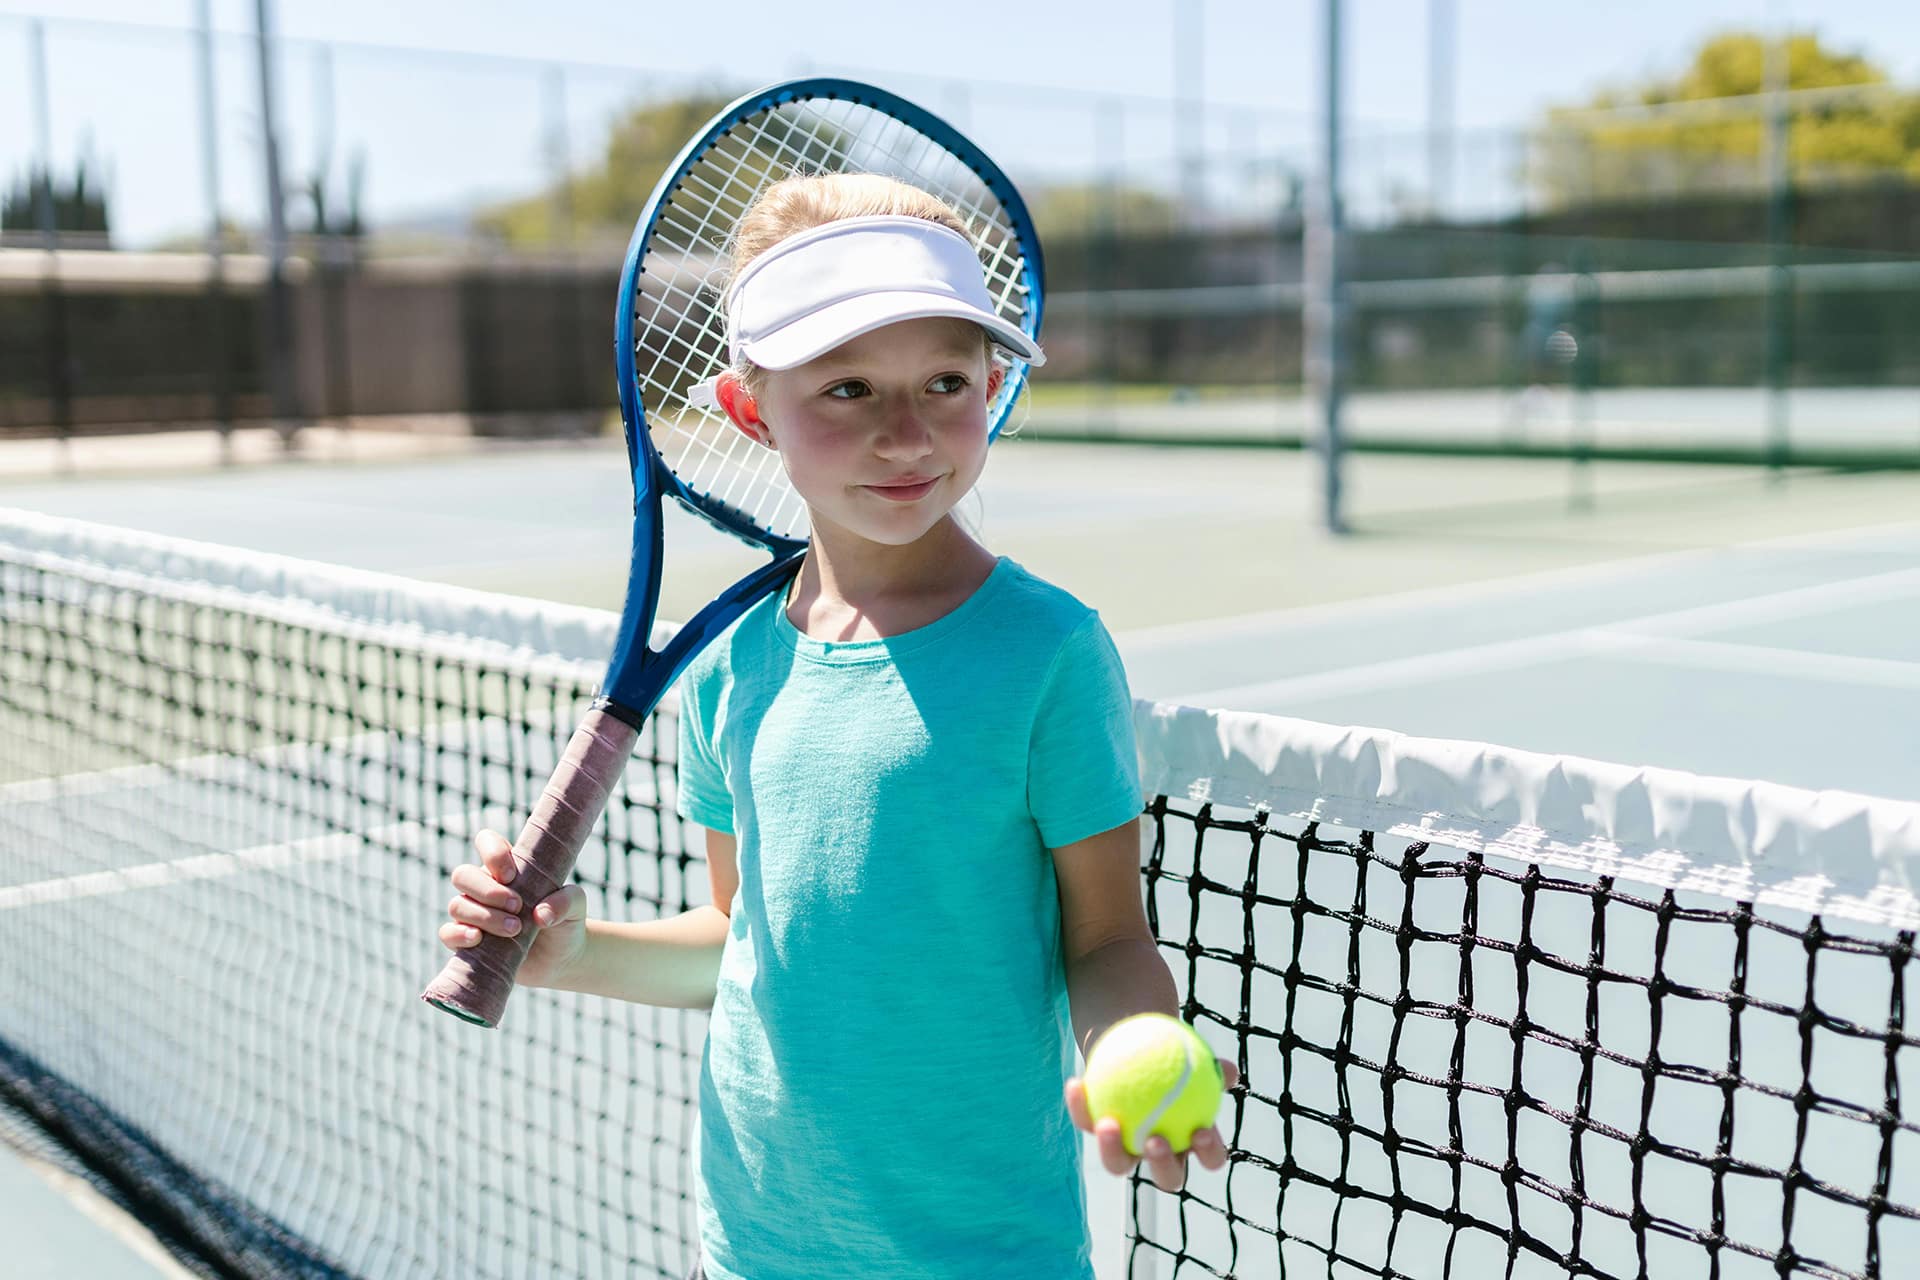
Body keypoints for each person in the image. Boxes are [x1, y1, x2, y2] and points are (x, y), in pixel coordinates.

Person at [439, 173, 1236, 1280]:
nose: (905, 434)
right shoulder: (731, 667)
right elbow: (740, 935)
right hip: (755, 1242)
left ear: (993, 386)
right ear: (751, 411)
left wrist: (1131, 1050)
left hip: (982, 1255)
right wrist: (575, 953)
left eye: (944, 382)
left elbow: (1105, 939)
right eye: (848, 388)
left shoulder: (1049, 653)